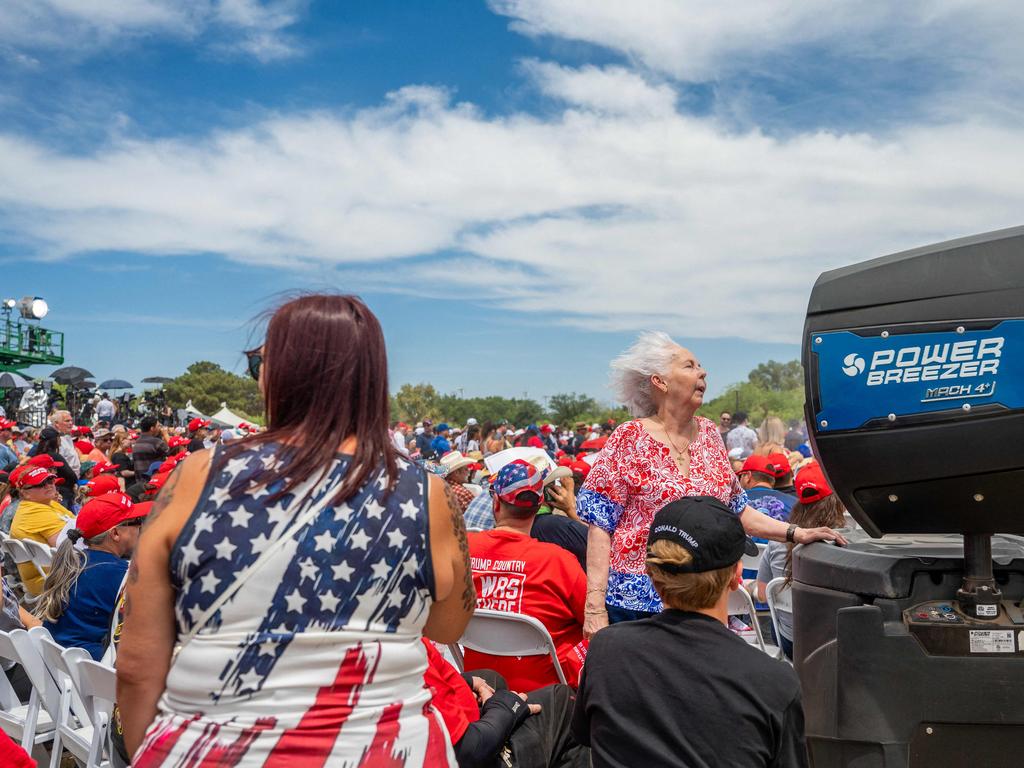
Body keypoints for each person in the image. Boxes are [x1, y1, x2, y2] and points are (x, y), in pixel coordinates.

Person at [118, 294, 473, 766]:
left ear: (279, 374)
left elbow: (138, 667)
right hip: (385, 751)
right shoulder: (427, 495)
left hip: (206, 750)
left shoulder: (194, 478)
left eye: (260, 364)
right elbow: (448, 624)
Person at [578, 332, 845, 634]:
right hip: (636, 607)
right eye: (690, 366)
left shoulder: (708, 433)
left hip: (702, 602)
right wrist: (594, 606)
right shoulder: (628, 438)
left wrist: (796, 532)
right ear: (660, 382)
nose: (703, 372)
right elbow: (600, 526)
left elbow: (737, 510)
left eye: (700, 365)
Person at [572, 496, 808, 767]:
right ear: (736, 576)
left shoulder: (606, 649)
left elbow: (584, 735)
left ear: (651, 573)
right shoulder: (775, 681)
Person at [465, 460, 587, 692]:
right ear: (539, 504)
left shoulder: (462, 549)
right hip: (548, 692)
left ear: (496, 502)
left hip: (479, 684)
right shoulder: (558, 561)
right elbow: (593, 620)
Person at [424, 639, 588, 768]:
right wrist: (506, 707)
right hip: (469, 753)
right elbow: (469, 751)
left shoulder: (405, 640)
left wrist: (461, 682)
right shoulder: (408, 657)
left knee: (491, 678)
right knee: (563, 700)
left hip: (456, 733)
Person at [35, 492, 146, 660]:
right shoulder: (121, 575)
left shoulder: (74, 560)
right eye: (137, 522)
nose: (141, 527)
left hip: (62, 662)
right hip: (97, 668)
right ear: (115, 533)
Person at [757, 464, 847, 660]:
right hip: (833, 644)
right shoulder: (846, 540)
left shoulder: (777, 542)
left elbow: (764, 595)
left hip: (789, 642)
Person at [10, 466, 75, 594]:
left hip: (51, 575)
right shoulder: (34, 511)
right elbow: (71, 545)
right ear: (25, 492)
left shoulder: (45, 503)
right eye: (41, 484)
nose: (49, 486)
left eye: (50, 481)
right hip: (51, 580)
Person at [738, 454, 795, 523]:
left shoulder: (736, 503)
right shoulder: (794, 503)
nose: (739, 480)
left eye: (740, 476)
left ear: (748, 476)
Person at [29, 429, 78, 508]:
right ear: (55, 440)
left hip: (44, 494)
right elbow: (72, 476)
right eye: (59, 438)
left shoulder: (35, 454)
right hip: (62, 493)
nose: (60, 441)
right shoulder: (54, 456)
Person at [50, 409, 81, 477]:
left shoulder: (67, 437)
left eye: (71, 420)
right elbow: (60, 467)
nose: (71, 423)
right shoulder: (56, 440)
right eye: (67, 421)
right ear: (56, 423)